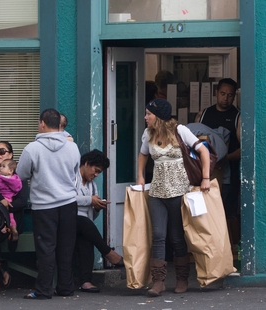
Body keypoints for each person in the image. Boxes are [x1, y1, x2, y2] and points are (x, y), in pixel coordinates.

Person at [137, 98, 210, 296]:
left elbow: (203, 150)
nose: (145, 117)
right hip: (157, 192)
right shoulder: (148, 134)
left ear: (158, 116)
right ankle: (158, 281)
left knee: (177, 236)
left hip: (179, 191)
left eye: (148, 114)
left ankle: (182, 278)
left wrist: (205, 178)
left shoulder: (180, 131)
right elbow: (143, 155)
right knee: (158, 236)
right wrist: (141, 176)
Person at [17, 108, 81, 299]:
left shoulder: (32, 149)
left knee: (46, 249)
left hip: (44, 206)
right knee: (66, 248)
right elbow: (76, 170)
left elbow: (21, 175)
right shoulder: (73, 147)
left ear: (43, 123)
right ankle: (66, 287)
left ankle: (44, 289)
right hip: (69, 203)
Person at [195, 78, 241, 243]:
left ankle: (235, 251)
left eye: (230, 95)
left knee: (229, 213)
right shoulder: (204, 114)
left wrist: (225, 158)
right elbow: (192, 141)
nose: (226, 98)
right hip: (204, 173)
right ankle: (208, 248)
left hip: (228, 174)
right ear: (216, 93)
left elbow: (244, 150)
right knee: (204, 212)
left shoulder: (237, 116)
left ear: (234, 96)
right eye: (222, 94)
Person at [0, 141, 29, 292]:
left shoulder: (18, 178)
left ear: (10, 155)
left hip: (11, 221)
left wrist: (6, 206)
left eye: (2, 151)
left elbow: (22, 201)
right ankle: (0, 268)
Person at [74, 150, 123, 293]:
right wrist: (90, 200)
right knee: (84, 223)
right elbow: (67, 199)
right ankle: (107, 252)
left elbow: (91, 216)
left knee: (87, 235)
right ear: (87, 164)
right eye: (95, 171)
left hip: (83, 225)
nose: (95, 175)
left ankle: (86, 281)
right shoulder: (72, 177)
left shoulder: (92, 185)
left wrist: (97, 207)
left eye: (99, 173)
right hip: (67, 219)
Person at [0, 158, 21, 241]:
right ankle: (14, 229)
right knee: (10, 216)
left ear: (10, 170)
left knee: (1, 216)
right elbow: (18, 188)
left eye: (3, 166)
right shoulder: (16, 179)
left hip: (1, 202)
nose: (0, 168)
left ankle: (3, 228)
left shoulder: (0, 180)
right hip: (10, 199)